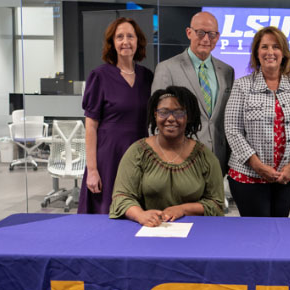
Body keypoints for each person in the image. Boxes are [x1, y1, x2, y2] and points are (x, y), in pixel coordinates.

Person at [224, 26, 290, 217]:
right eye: (264, 47)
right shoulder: (242, 85)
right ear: (257, 53)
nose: (270, 52)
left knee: (279, 230)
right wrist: (258, 166)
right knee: (255, 234)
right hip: (248, 177)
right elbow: (232, 129)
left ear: (284, 53)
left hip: (288, 177)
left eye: (276, 47)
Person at [109, 86, 225, 226]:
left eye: (178, 112)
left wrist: (182, 209)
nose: (171, 118)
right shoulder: (137, 152)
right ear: (155, 114)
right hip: (148, 228)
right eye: (163, 112)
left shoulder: (204, 156)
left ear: (188, 116)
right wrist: (140, 215)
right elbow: (122, 197)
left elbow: (216, 204)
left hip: (196, 230)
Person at [78, 17, 153, 214]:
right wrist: (92, 170)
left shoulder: (147, 77)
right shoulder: (99, 76)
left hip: (139, 155)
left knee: (137, 212)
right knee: (106, 213)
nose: (125, 42)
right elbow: (91, 127)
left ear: (138, 41)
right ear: (112, 43)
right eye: (119, 37)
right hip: (108, 157)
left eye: (130, 36)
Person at [151, 11, 234, 176]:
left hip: (218, 161)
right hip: (180, 160)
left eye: (212, 34)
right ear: (189, 33)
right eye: (200, 32)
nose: (206, 39)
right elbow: (155, 120)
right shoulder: (167, 68)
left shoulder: (227, 71)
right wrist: (161, 159)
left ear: (217, 37)